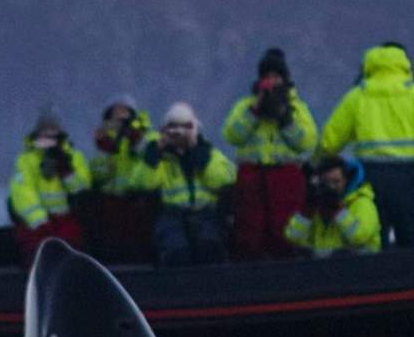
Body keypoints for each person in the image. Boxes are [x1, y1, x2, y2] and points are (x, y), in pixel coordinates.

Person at [318, 42, 414, 248]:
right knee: (412, 243)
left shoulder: (357, 96)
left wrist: (317, 168)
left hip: (369, 179)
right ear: (404, 63)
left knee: (374, 242)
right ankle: (413, 279)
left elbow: (329, 141)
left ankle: (378, 279)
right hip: (408, 179)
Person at [222, 48, 318, 259]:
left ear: (284, 80)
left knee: (284, 232)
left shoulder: (296, 108)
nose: (271, 82)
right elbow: (232, 135)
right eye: (267, 77)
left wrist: (284, 118)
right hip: (252, 179)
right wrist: (254, 111)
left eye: (276, 77)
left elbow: (306, 142)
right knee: (250, 232)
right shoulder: (244, 106)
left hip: (285, 179)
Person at [136, 102, 236, 266]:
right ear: (163, 131)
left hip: (206, 214)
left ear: (196, 129)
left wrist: (198, 155)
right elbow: (144, 184)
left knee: (210, 249)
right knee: (176, 252)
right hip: (172, 217)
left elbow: (224, 180)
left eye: (186, 127)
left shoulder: (209, 153)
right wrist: (153, 155)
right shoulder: (160, 159)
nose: (179, 133)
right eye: (173, 127)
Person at [8, 111, 92, 262]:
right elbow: (22, 193)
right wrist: (40, 222)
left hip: (67, 222)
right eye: (44, 134)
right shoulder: (25, 160)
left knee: (73, 256)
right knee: (39, 256)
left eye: (53, 135)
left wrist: (67, 172)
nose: (48, 139)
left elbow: (82, 190)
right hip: (36, 226)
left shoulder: (74, 157)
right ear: (36, 135)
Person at [83, 96, 157, 263]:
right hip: (110, 209)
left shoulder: (148, 136)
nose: (122, 122)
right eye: (116, 118)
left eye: (126, 118)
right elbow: (97, 176)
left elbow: (151, 159)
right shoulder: (105, 142)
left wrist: (135, 139)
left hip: (140, 204)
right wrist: (105, 150)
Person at [284, 156, 381, 257]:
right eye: (326, 182)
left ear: (347, 180)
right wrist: (307, 212)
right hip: (324, 267)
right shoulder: (317, 207)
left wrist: (339, 212)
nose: (331, 187)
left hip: (360, 266)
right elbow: (293, 237)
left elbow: (360, 237)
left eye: (336, 182)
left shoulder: (362, 203)